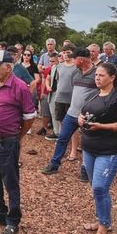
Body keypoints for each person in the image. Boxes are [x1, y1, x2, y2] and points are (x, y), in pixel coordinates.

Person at [0, 50, 37, 234]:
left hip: (7, 142)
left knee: (10, 182)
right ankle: (0, 213)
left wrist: (17, 137)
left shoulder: (20, 87)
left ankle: (13, 221)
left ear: (8, 67)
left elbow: (29, 117)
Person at [78, 62, 117, 234]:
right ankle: (101, 218)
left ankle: (103, 227)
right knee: (95, 187)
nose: (97, 78)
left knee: (100, 187)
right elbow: (83, 113)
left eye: (101, 75)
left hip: (109, 149)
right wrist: (81, 119)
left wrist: (102, 126)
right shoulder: (94, 94)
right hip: (89, 147)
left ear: (112, 77)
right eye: (96, 75)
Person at [41, 47, 96, 176]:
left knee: (87, 144)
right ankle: (54, 164)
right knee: (62, 139)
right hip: (71, 113)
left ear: (80, 59)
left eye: (74, 58)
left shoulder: (97, 73)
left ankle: (85, 170)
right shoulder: (75, 72)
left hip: (87, 116)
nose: (72, 61)